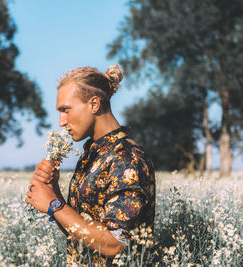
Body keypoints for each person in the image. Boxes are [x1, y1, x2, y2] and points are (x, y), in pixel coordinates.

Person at [25, 64, 155, 266]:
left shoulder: (127, 157)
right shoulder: (93, 155)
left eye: (66, 110)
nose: (61, 121)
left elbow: (116, 245)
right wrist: (54, 193)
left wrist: (55, 205)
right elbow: (80, 232)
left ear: (94, 104)